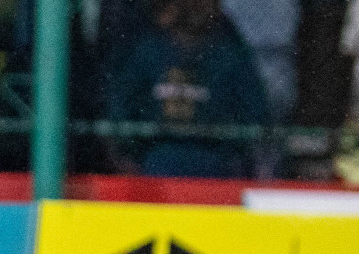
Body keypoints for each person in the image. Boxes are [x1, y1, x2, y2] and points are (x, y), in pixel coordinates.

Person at [105, 0, 267, 179]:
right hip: (156, 160)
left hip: (214, 163)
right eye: (194, 4)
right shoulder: (147, 51)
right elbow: (119, 109)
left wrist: (235, 156)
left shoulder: (229, 54)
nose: (200, 9)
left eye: (208, 4)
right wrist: (128, 156)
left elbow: (255, 114)